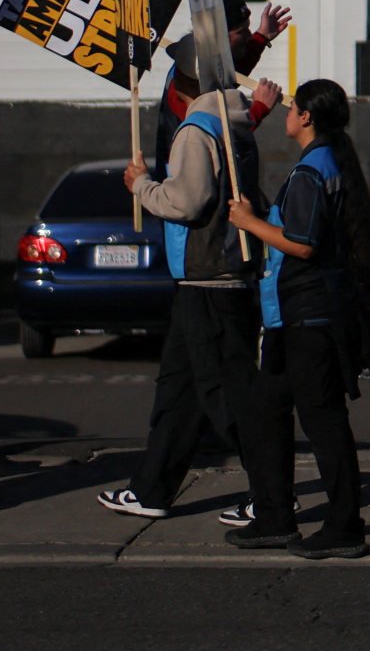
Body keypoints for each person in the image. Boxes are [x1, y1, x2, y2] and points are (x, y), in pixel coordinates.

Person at [90, 30, 269, 521]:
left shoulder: (197, 128)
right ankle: (151, 489)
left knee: (224, 396)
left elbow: (187, 202)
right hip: (211, 276)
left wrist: (142, 185)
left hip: (208, 277)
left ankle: (271, 491)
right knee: (180, 393)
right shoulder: (234, 122)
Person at [226, 75, 370, 558]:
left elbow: (305, 244)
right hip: (292, 314)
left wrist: (250, 223)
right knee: (265, 409)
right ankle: (274, 515)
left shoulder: (314, 170)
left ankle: (344, 525)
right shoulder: (329, 162)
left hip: (309, 316)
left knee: (324, 422)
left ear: (307, 117)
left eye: (293, 108)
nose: (287, 114)